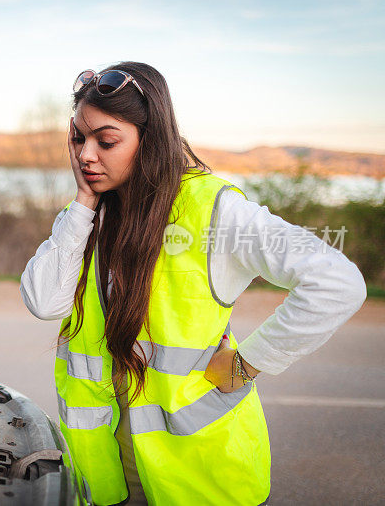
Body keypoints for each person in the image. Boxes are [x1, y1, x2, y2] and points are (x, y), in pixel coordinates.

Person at [19, 62, 367, 506]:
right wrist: (85, 203)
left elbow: (337, 282)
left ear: (151, 140)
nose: (87, 155)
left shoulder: (213, 211)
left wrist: (250, 362)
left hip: (200, 473)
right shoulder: (85, 218)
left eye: (106, 141)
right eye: (78, 138)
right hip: (112, 471)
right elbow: (46, 302)